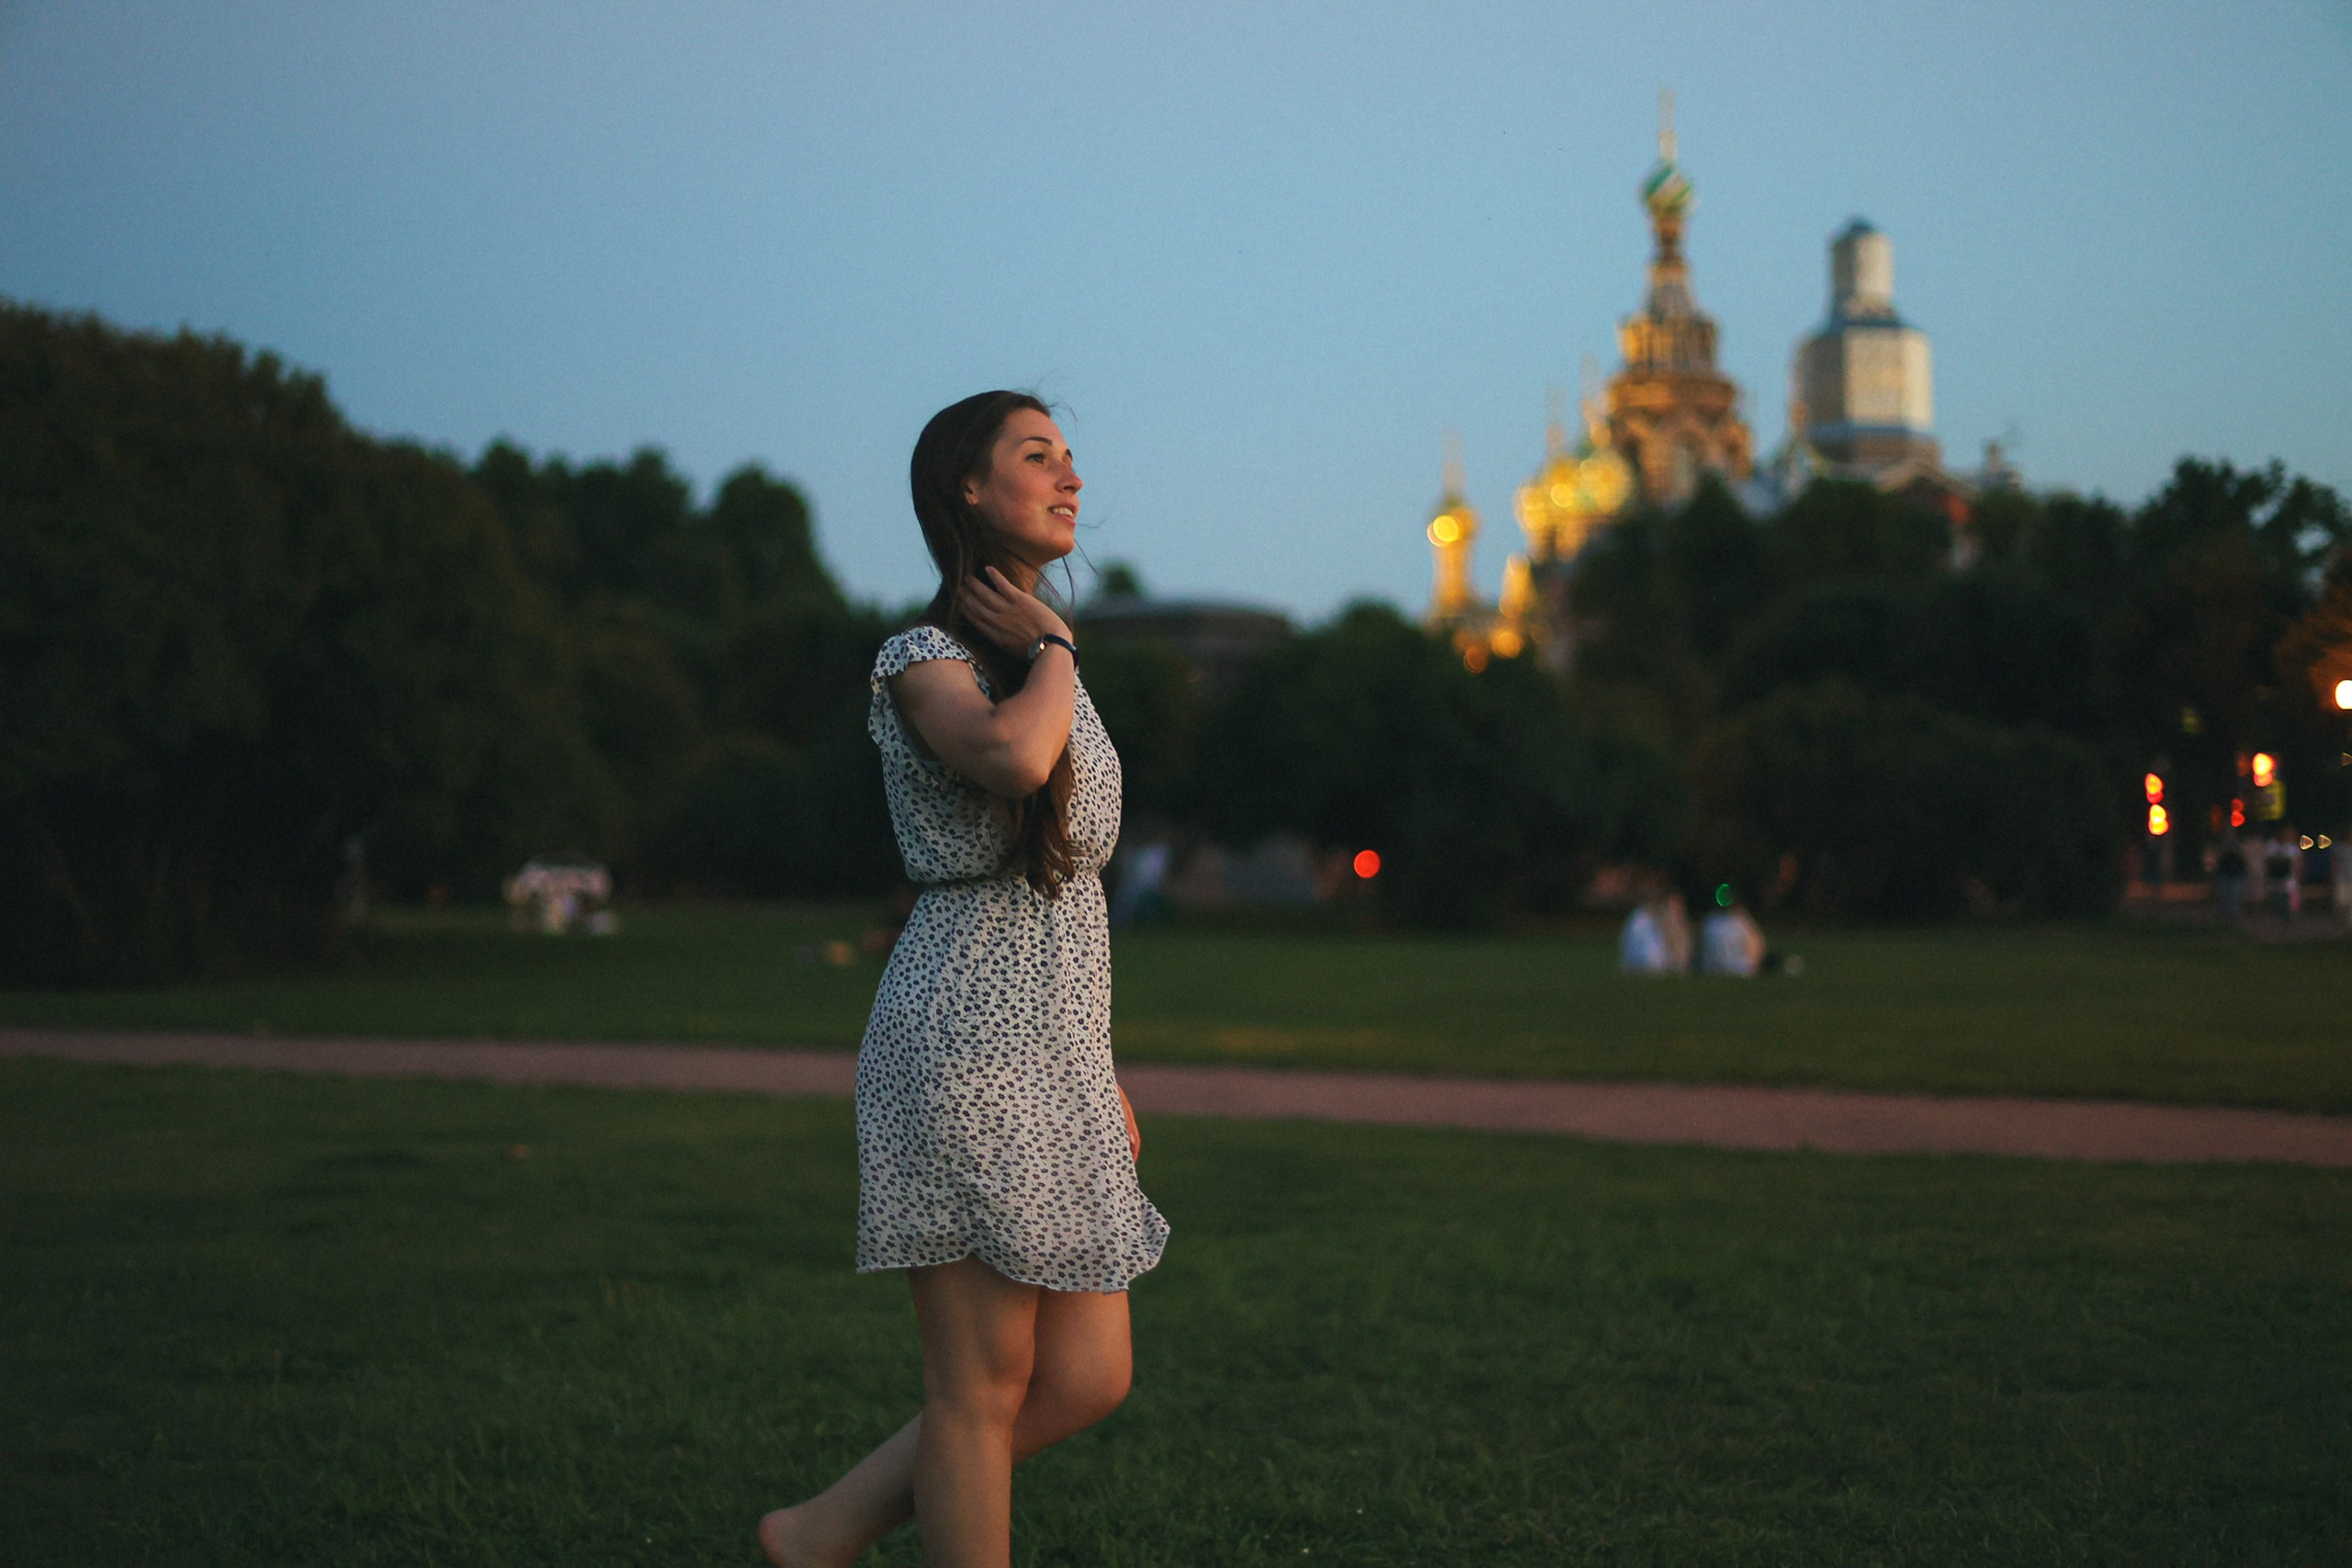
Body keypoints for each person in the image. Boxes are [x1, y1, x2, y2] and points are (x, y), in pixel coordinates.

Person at [760, 393, 1167, 1568]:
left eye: (1072, 458)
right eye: (1038, 458)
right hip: (961, 1047)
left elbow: (1067, 893)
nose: (1068, 477)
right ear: (970, 494)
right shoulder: (924, 657)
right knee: (979, 1385)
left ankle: (819, 1532)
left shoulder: (1047, 659)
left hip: (1057, 1055)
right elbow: (1014, 757)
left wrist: (1099, 1078)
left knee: (1088, 1376)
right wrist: (1054, 645)